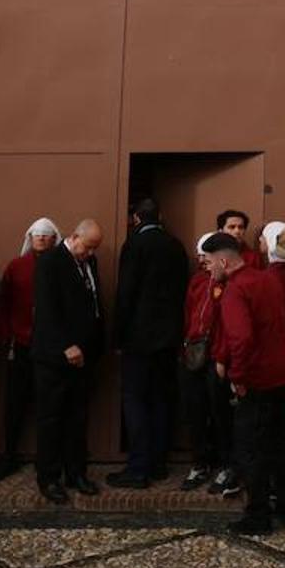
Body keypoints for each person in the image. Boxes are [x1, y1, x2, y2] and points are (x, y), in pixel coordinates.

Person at [207, 232, 285, 534]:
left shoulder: (235, 290)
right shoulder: (268, 279)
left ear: (223, 260)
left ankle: (257, 516)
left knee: (250, 450)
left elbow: (241, 338)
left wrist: (238, 378)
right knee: (279, 445)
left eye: (209, 262)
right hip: (282, 375)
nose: (208, 268)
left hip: (256, 380)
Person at [109, 199, 190, 489]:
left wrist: (118, 336)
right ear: (161, 215)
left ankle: (138, 468)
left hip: (138, 339)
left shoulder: (134, 246)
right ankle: (158, 464)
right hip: (168, 339)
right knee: (160, 400)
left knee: (135, 400)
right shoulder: (175, 246)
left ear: (135, 219)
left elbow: (126, 293)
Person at [32, 219, 105, 504]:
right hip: (54, 357)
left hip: (84, 357)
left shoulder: (89, 263)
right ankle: (48, 478)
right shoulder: (51, 262)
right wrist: (66, 345)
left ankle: (76, 473)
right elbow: (47, 308)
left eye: (94, 249)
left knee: (78, 418)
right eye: (87, 247)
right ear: (74, 237)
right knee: (51, 418)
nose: (90, 253)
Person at [0, 217, 61, 483]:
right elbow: (3, 304)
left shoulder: (61, 266)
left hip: (49, 349)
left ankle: (48, 460)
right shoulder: (17, 267)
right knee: (14, 405)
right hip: (20, 345)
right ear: (30, 237)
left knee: (48, 406)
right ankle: (9, 456)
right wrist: (7, 336)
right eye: (37, 234)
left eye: (46, 234)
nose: (40, 238)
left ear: (54, 238)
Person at [179, 233, 222, 491]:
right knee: (195, 412)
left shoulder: (226, 282)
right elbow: (187, 314)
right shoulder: (196, 281)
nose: (204, 260)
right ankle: (200, 462)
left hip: (216, 355)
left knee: (219, 412)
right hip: (193, 353)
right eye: (202, 256)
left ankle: (225, 463)